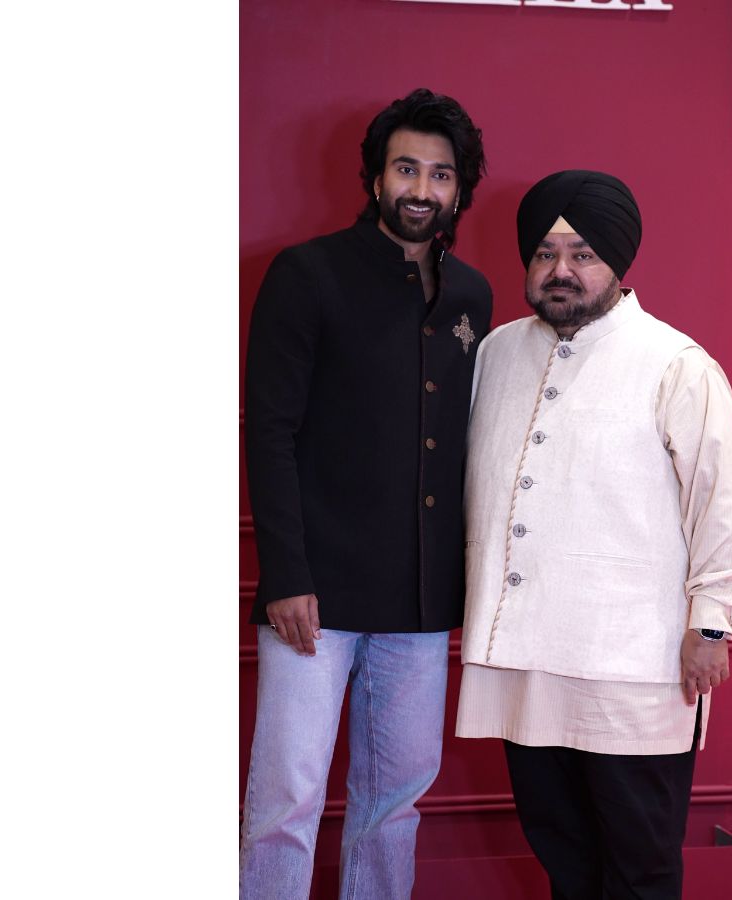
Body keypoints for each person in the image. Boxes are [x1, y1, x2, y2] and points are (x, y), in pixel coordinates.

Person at [456, 170, 732, 900]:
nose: (561, 270)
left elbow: (722, 503)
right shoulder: (496, 353)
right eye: (545, 253)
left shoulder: (675, 363)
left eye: (582, 254)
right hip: (524, 666)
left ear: (617, 262)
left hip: (635, 669)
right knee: (565, 861)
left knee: (640, 867)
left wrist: (712, 625)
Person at [240, 88, 491, 900]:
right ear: (377, 177)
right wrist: (285, 576)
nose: (422, 189)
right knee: (286, 801)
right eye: (406, 169)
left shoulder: (472, 296)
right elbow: (269, 431)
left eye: (441, 175)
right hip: (315, 593)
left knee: (395, 803)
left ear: (459, 190)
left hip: (420, 599)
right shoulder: (307, 274)